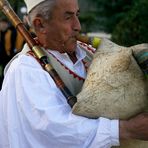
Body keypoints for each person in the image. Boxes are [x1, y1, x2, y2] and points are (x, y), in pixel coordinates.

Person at [0, 0, 148, 148]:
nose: (78, 26)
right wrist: (123, 129)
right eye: (68, 17)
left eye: (77, 15)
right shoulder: (25, 69)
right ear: (40, 25)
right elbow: (54, 130)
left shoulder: (89, 52)